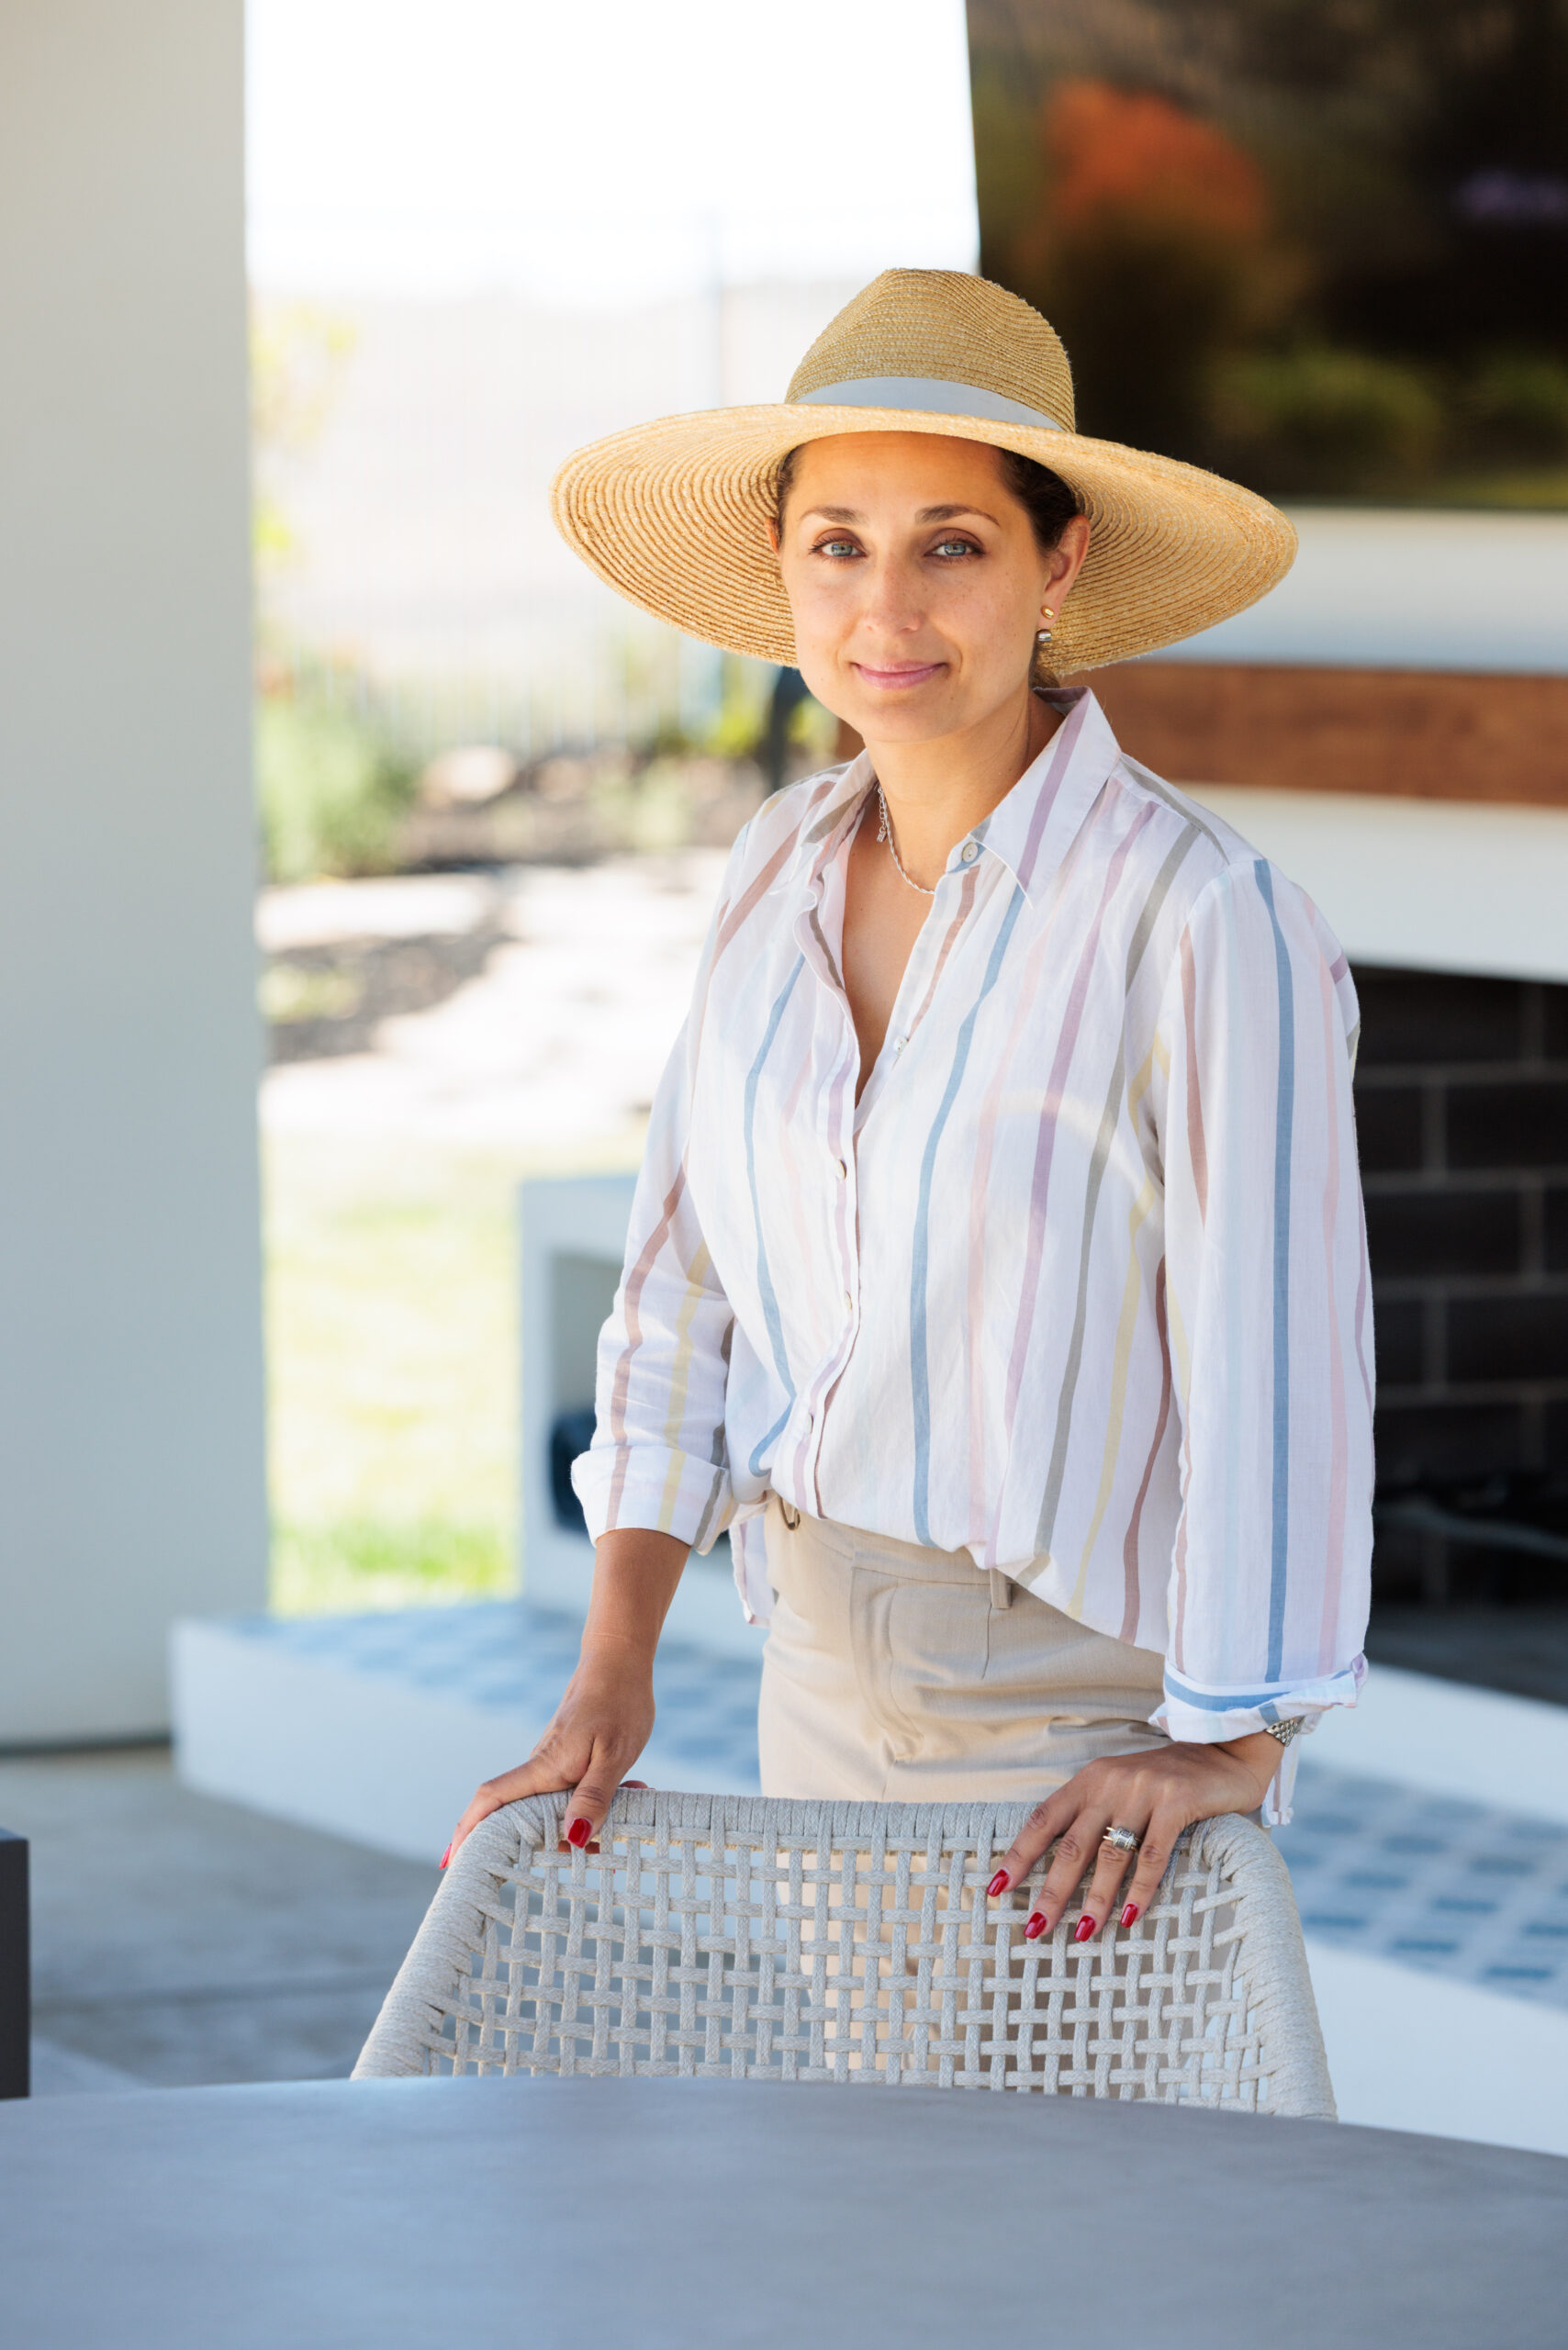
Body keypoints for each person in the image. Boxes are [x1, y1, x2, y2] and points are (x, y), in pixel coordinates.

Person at [443, 271, 1372, 1943]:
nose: (889, 604)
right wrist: (614, 1664)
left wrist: (1230, 1740)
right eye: (838, 543)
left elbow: (1280, 1361)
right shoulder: (773, 865)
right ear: (783, 568)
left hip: (1071, 1737)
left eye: (953, 543)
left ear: (1057, 561)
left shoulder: (1203, 917)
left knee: (1043, 2211)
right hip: (806, 1681)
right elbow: (683, 1287)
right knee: (869, 2202)